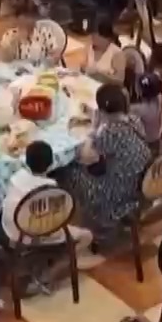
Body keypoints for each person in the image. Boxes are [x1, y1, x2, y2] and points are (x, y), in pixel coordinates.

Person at [1, 141, 102, 293]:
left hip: (12, 232)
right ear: (51, 164)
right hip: (36, 235)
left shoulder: (15, 178)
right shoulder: (51, 189)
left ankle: (39, 263)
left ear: (26, 161)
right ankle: (48, 275)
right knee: (86, 236)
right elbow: (56, 221)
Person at [64, 83, 151, 242]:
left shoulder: (109, 132)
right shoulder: (135, 120)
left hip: (117, 194)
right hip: (138, 185)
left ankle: (96, 221)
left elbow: (86, 156)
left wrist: (94, 129)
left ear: (103, 111)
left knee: (70, 169)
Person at [131, 72, 162, 144]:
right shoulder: (159, 98)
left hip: (145, 142)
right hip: (156, 137)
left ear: (140, 91)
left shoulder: (138, 109)